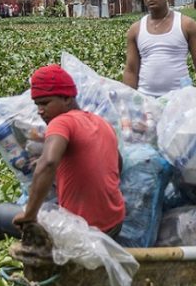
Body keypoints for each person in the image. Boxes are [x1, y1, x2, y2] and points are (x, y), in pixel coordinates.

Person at [13, 64, 126, 236]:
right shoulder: (101, 122)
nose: (40, 111)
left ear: (67, 98)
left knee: (1, 214)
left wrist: (29, 215)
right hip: (116, 223)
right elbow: (118, 163)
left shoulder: (61, 122)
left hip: (83, 229)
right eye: (37, 105)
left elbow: (49, 163)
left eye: (45, 103)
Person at [123, 0, 196, 97]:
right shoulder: (136, 29)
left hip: (180, 100)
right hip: (147, 99)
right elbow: (131, 70)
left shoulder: (186, 24)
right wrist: (127, 104)